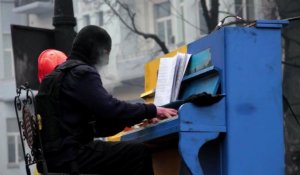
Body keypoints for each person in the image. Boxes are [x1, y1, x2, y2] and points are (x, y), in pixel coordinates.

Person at [35, 25, 177, 175]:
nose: (106, 62)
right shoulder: (82, 73)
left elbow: (97, 125)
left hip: (54, 161)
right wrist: (152, 109)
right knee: (138, 154)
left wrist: (137, 118)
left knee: (119, 155)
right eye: (107, 54)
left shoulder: (56, 77)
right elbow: (110, 108)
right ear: (101, 51)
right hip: (72, 157)